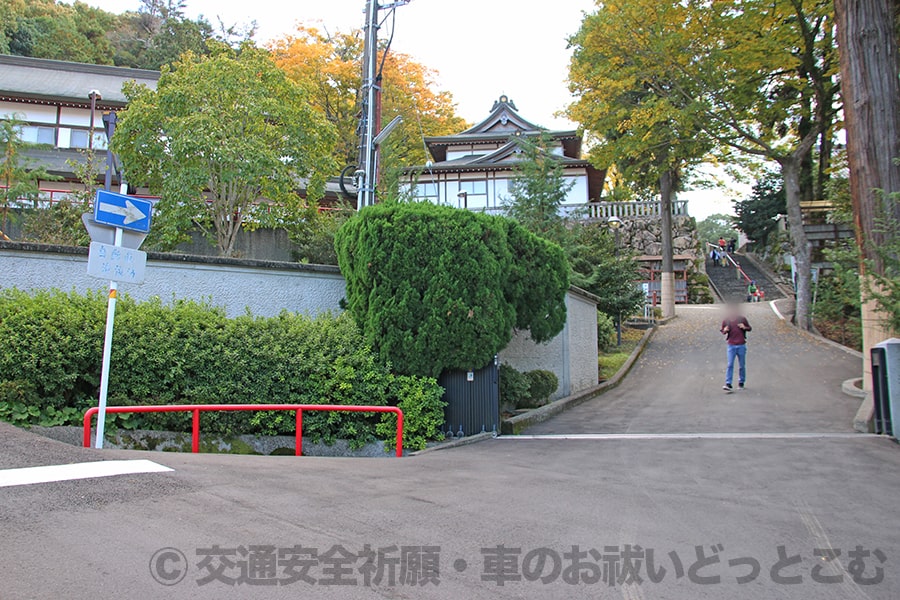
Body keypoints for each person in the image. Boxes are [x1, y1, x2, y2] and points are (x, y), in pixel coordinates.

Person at [720, 304, 752, 392]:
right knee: (730, 364)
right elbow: (722, 330)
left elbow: (749, 328)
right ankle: (728, 383)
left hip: (741, 344)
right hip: (731, 345)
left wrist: (744, 327)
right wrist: (725, 330)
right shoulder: (726, 321)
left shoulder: (742, 319)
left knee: (742, 365)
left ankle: (741, 382)